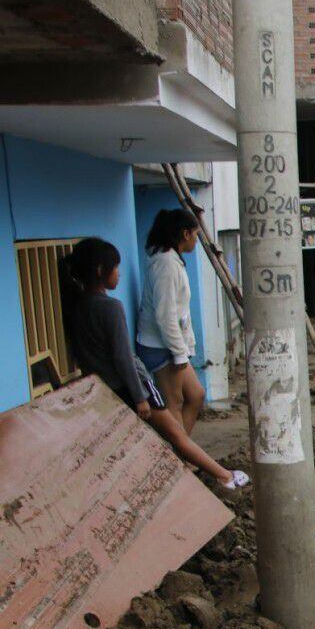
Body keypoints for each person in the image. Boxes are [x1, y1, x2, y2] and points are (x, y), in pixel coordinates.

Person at [66, 238, 248, 489]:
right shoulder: (111, 307)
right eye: (115, 268)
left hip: (105, 391)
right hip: (132, 386)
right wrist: (140, 396)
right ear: (100, 270)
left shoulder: (77, 307)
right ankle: (224, 476)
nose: (119, 275)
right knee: (176, 433)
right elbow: (122, 356)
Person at [136, 207, 205, 435]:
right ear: (185, 234)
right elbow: (165, 316)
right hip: (161, 347)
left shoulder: (171, 260)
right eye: (195, 234)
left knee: (196, 395)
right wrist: (178, 353)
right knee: (174, 404)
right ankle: (180, 460)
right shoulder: (166, 264)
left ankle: (181, 453)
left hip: (171, 346)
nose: (197, 240)